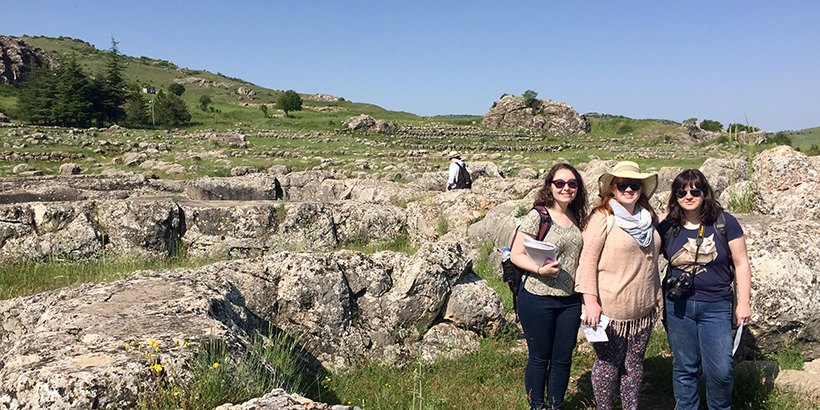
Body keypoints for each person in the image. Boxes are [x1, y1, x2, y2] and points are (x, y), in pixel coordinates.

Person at [660, 169, 752, 410]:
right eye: (682, 192)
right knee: (684, 366)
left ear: (705, 193)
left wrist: (743, 302)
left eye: (695, 190)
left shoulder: (724, 222)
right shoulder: (668, 225)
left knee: (721, 370)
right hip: (678, 306)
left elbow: (741, 263)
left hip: (716, 305)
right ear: (675, 195)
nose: (688, 196)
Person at [575, 161, 662, 410]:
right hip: (609, 310)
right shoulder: (603, 219)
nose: (628, 190)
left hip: (642, 309)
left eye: (634, 185)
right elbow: (587, 261)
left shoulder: (648, 219)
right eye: (622, 185)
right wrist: (590, 302)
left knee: (634, 365)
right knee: (608, 364)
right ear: (612, 188)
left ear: (641, 189)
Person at [510, 163, 588, 410]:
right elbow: (516, 254)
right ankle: (537, 406)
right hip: (537, 296)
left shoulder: (579, 216)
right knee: (539, 358)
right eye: (560, 183)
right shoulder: (539, 216)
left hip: (570, 299)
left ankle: (556, 405)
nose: (566, 188)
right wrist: (539, 270)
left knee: (563, 359)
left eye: (572, 183)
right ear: (550, 186)